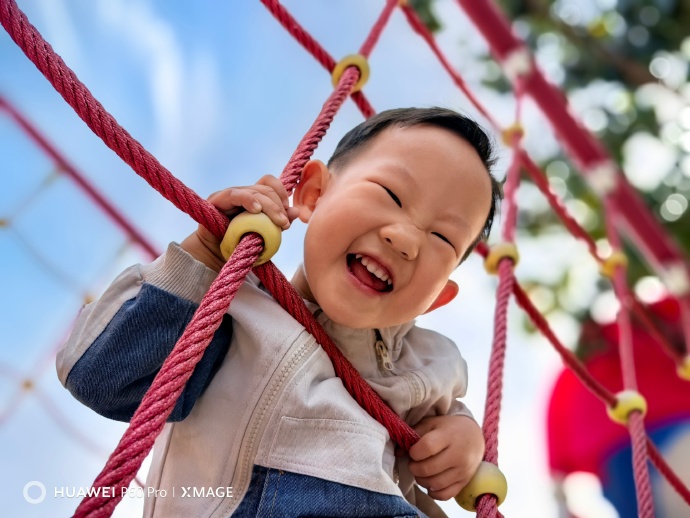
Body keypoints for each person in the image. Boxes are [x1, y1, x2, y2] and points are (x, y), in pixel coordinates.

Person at [57, 107, 502, 517]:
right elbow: (103, 378)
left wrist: (464, 441)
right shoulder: (232, 308)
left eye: (442, 238)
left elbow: (448, 422)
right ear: (312, 193)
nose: (405, 239)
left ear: (439, 297)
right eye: (390, 193)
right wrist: (205, 254)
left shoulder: (428, 361)